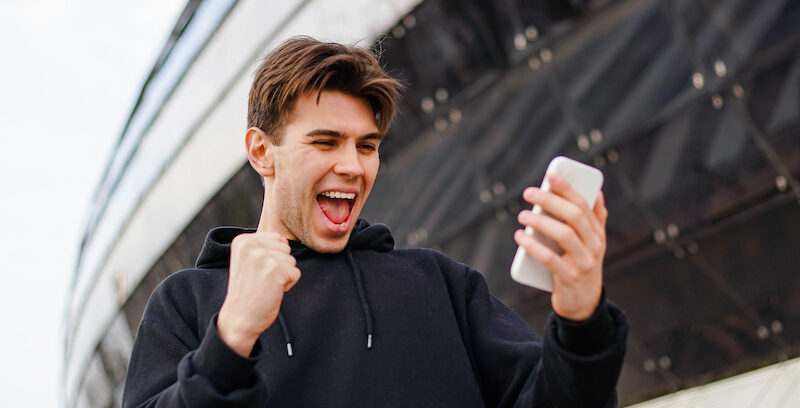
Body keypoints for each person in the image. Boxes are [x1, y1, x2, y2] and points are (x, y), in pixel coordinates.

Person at [122, 36, 627, 407]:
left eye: (367, 146)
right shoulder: (186, 303)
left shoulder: (440, 284)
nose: (353, 165)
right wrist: (229, 341)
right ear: (261, 151)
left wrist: (581, 320)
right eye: (326, 141)